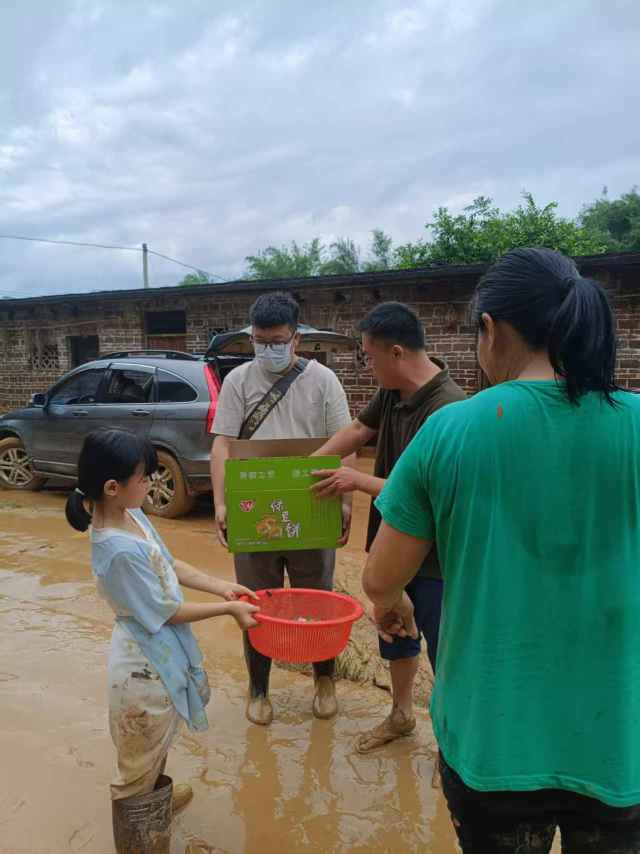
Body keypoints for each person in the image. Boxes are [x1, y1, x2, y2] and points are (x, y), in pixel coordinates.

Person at [362, 247, 640, 852]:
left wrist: (394, 606)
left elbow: (381, 577)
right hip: (622, 741)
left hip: (493, 741)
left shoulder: (452, 428)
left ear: (489, 328)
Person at [65, 429, 258, 850]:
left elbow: (169, 565)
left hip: (158, 651)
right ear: (113, 488)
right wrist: (228, 610)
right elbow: (166, 612)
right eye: (145, 477)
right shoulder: (116, 551)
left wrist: (222, 586)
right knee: (136, 764)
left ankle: (157, 803)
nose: (152, 483)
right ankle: (140, 834)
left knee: (156, 741)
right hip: (142, 665)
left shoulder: (133, 516)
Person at [310, 302, 465, 753]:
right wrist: (308, 465)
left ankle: (453, 748)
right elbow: (359, 429)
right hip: (391, 544)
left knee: (446, 651)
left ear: (396, 352)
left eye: (369, 357)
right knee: (395, 629)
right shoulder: (394, 392)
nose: (368, 366)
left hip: (436, 555)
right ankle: (401, 716)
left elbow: (431, 494)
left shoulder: (449, 409)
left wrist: (357, 480)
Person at [210, 291, 354, 726]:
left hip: (314, 505)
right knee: (256, 605)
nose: (268, 348)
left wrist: (346, 504)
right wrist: (220, 503)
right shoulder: (237, 382)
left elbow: (345, 442)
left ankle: (323, 681)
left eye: (277, 340)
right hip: (254, 511)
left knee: (319, 601)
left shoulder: (323, 380)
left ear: (296, 339)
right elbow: (222, 444)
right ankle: (259, 690)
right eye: (259, 340)